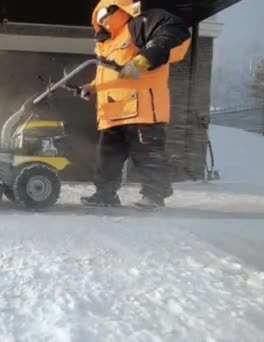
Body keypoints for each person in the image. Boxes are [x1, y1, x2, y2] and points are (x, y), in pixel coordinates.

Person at [77, 0, 192, 210]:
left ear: (118, 8)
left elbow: (173, 35)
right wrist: (92, 87)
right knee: (107, 159)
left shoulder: (138, 25)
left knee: (148, 155)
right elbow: (112, 74)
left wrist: (140, 62)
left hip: (142, 109)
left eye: (105, 13)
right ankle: (105, 194)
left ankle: (154, 196)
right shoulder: (108, 45)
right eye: (98, 17)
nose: (102, 20)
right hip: (113, 112)